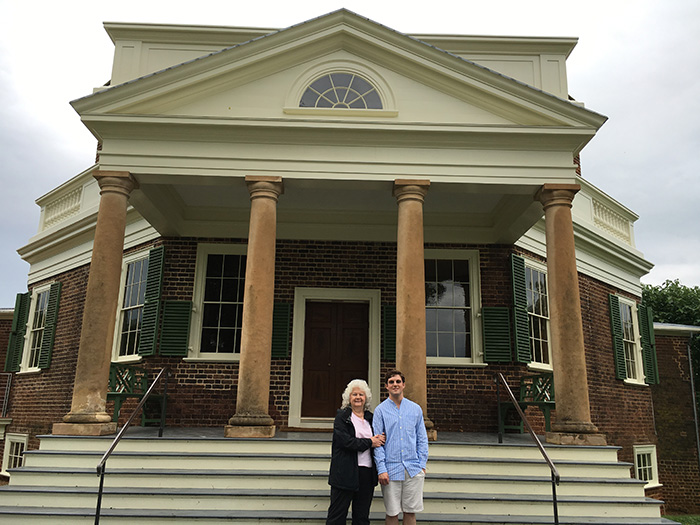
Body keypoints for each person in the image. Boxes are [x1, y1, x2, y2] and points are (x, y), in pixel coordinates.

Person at [372, 370, 429, 525]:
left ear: (403, 385)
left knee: (410, 512)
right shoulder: (380, 411)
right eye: (391, 382)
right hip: (390, 469)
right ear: (386, 386)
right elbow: (377, 443)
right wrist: (381, 469)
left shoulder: (415, 409)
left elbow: (422, 439)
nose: (395, 385)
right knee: (392, 512)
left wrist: (421, 465)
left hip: (413, 468)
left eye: (398, 382)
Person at [326, 379, 386, 525]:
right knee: (337, 515)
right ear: (349, 398)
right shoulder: (342, 417)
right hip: (344, 472)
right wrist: (370, 442)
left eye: (361, 394)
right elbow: (346, 442)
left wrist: (379, 439)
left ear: (366, 398)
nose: (358, 397)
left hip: (366, 473)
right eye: (354, 394)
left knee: (361, 516)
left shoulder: (371, 419)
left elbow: (381, 437)